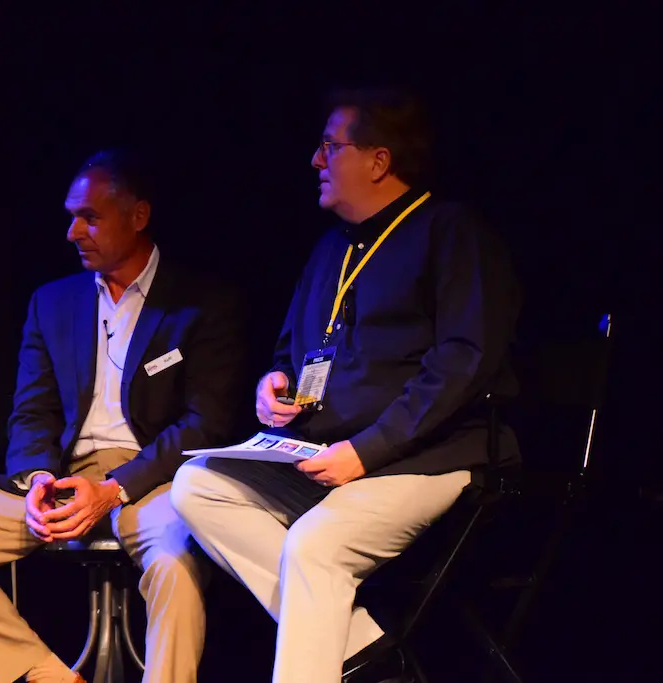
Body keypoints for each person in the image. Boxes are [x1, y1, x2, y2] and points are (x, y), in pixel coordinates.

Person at [170, 88, 522, 683]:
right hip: (327, 455)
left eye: (330, 147)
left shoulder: (450, 231)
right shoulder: (331, 248)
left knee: (315, 545)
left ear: (379, 160)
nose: (315, 160)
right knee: (197, 487)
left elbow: (463, 362)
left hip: (425, 457)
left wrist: (367, 450)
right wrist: (276, 385)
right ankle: (361, 643)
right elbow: (293, 350)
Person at [0, 149, 246, 683]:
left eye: (90, 217)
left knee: (174, 564)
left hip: (152, 478)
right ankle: (48, 677)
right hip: (62, 476)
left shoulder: (201, 302)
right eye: (70, 216)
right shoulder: (53, 302)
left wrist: (112, 489)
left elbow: (205, 423)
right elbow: (31, 411)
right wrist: (38, 478)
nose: (72, 232)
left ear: (138, 215)